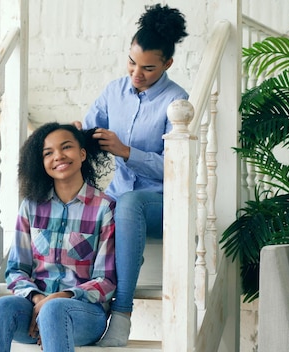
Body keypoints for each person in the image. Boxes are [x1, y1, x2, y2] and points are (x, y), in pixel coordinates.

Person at [73, 3, 189, 347]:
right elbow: (91, 130)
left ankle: (121, 314)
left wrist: (126, 151)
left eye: (148, 68)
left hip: (161, 203)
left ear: (167, 64)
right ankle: (77, 307)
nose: (136, 74)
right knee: (92, 209)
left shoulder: (177, 101)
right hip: (121, 199)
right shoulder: (113, 92)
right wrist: (77, 134)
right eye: (131, 62)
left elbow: (176, 167)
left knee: (128, 205)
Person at [0, 123, 116, 351]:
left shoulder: (104, 207)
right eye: (48, 153)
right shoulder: (30, 207)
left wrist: (59, 298)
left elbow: (106, 280)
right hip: (34, 310)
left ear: (82, 153)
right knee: (0, 307)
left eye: (66, 147)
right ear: (41, 163)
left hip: (84, 313)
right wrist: (37, 299)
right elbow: (16, 270)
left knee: (54, 311)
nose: (58, 156)